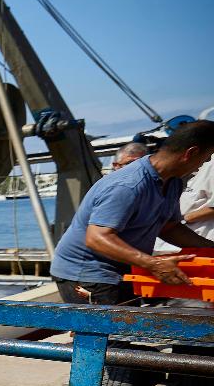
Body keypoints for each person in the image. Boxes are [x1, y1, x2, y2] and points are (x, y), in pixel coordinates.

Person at [50, 120, 214, 305]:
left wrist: (210, 247)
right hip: (88, 272)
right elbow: (96, 238)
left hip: (124, 266)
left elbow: (169, 227)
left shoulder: (173, 182)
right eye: (207, 157)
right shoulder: (128, 184)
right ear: (190, 153)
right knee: (112, 332)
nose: (204, 164)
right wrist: (152, 263)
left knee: (129, 326)